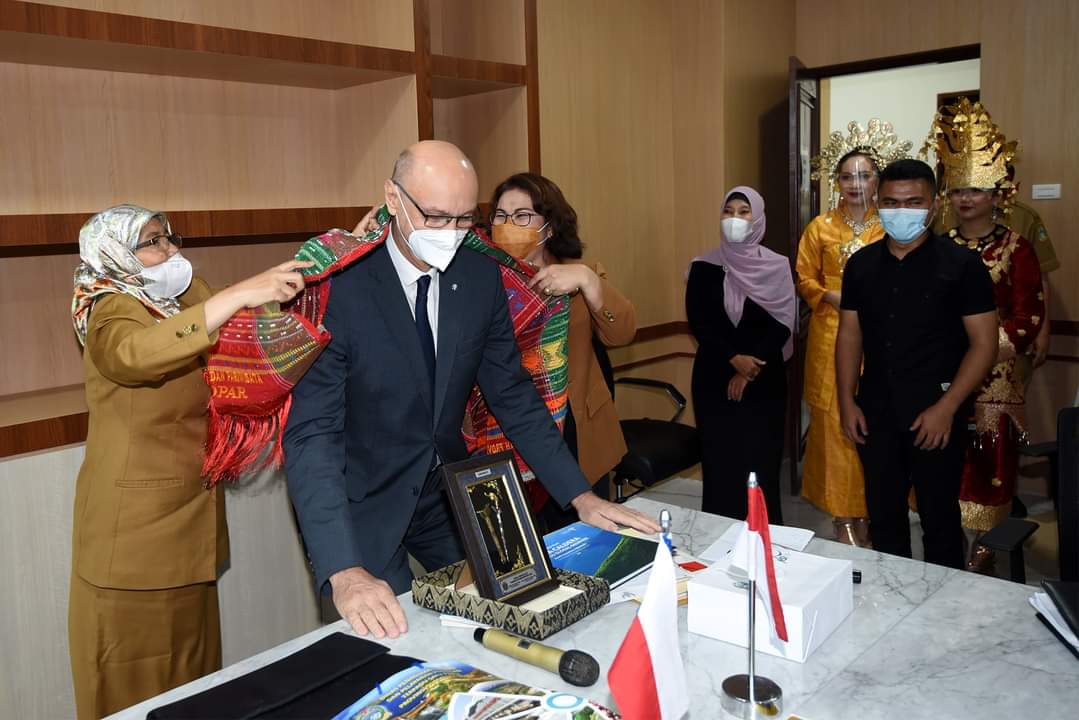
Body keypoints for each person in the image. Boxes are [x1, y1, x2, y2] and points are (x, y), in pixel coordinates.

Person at [282, 141, 658, 641]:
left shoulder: (479, 277)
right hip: (361, 501)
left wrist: (580, 496)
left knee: (507, 618)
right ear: (393, 198)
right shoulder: (337, 286)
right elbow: (313, 434)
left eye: (464, 219)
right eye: (436, 217)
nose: (451, 234)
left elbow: (512, 394)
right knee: (396, 644)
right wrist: (342, 569)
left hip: (448, 492)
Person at [68, 204, 309, 718]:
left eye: (169, 237)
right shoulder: (109, 310)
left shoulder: (179, 293)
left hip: (191, 537)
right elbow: (136, 355)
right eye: (153, 241)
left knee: (196, 694)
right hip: (135, 551)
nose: (171, 249)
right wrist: (236, 294)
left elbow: (244, 323)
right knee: (135, 700)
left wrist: (333, 257)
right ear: (115, 253)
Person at [836, 159, 998, 569]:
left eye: (913, 202)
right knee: (884, 515)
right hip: (875, 410)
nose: (902, 211)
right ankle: (893, 596)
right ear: (878, 203)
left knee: (939, 519)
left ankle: (944, 602)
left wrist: (947, 408)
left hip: (936, 410)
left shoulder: (962, 265)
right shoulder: (861, 265)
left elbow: (984, 345)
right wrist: (847, 401)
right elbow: (850, 336)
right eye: (891, 202)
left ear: (934, 204)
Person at [465, 172, 636, 532]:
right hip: (507, 427)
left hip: (576, 429)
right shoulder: (480, 277)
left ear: (550, 226)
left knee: (586, 540)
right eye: (500, 215)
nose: (508, 225)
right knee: (523, 542)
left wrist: (588, 281)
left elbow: (621, 332)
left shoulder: (578, 274)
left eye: (522, 216)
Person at [926, 99, 1045, 570]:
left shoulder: (1017, 248)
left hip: (997, 377)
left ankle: (987, 546)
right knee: (943, 460)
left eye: (976, 189)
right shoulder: (937, 249)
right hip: (942, 374)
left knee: (991, 465)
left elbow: (1028, 314)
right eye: (958, 189)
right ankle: (945, 541)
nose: (965, 198)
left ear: (997, 194)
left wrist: (983, 351)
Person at [797, 119, 911, 546]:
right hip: (830, 332)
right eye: (847, 176)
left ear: (877, 180)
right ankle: (844, 515)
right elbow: (803, 276)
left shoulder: (892, 225)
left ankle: (875, 512)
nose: (855, 184)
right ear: (836, 182)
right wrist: (830, 295)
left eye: (864, 176)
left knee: (878, 421)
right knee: (834, 424)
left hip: (882, 334)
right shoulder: (820, 227)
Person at [687, 186, 796, 524]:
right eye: (728, 211)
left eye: (744, 212)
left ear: (758, 218)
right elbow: (700, 321)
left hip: (764, 380)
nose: (735, 218)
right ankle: (718, 538)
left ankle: (763, 538)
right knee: (719, 463)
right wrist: (734, 358)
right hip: (713, 379)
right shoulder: (703, 266)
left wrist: (748, 368)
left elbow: (783, 322)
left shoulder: (777, 266)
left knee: (760, 465)